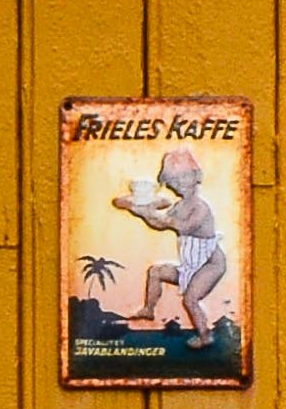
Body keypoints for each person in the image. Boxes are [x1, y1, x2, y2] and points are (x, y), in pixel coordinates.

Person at [99, 142, 231, 341]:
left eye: (184, 177)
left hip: (210, 264)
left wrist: (154, 214)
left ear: (196, 176)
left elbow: (184, 226)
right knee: (156, 272)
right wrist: (142, 212)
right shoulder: (180, 206)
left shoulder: (200, 207)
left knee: (191, 298)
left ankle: (205, 335)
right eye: (174, 180)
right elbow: (160, 224)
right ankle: (149, 309)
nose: (179, 184)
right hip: (190, 263)